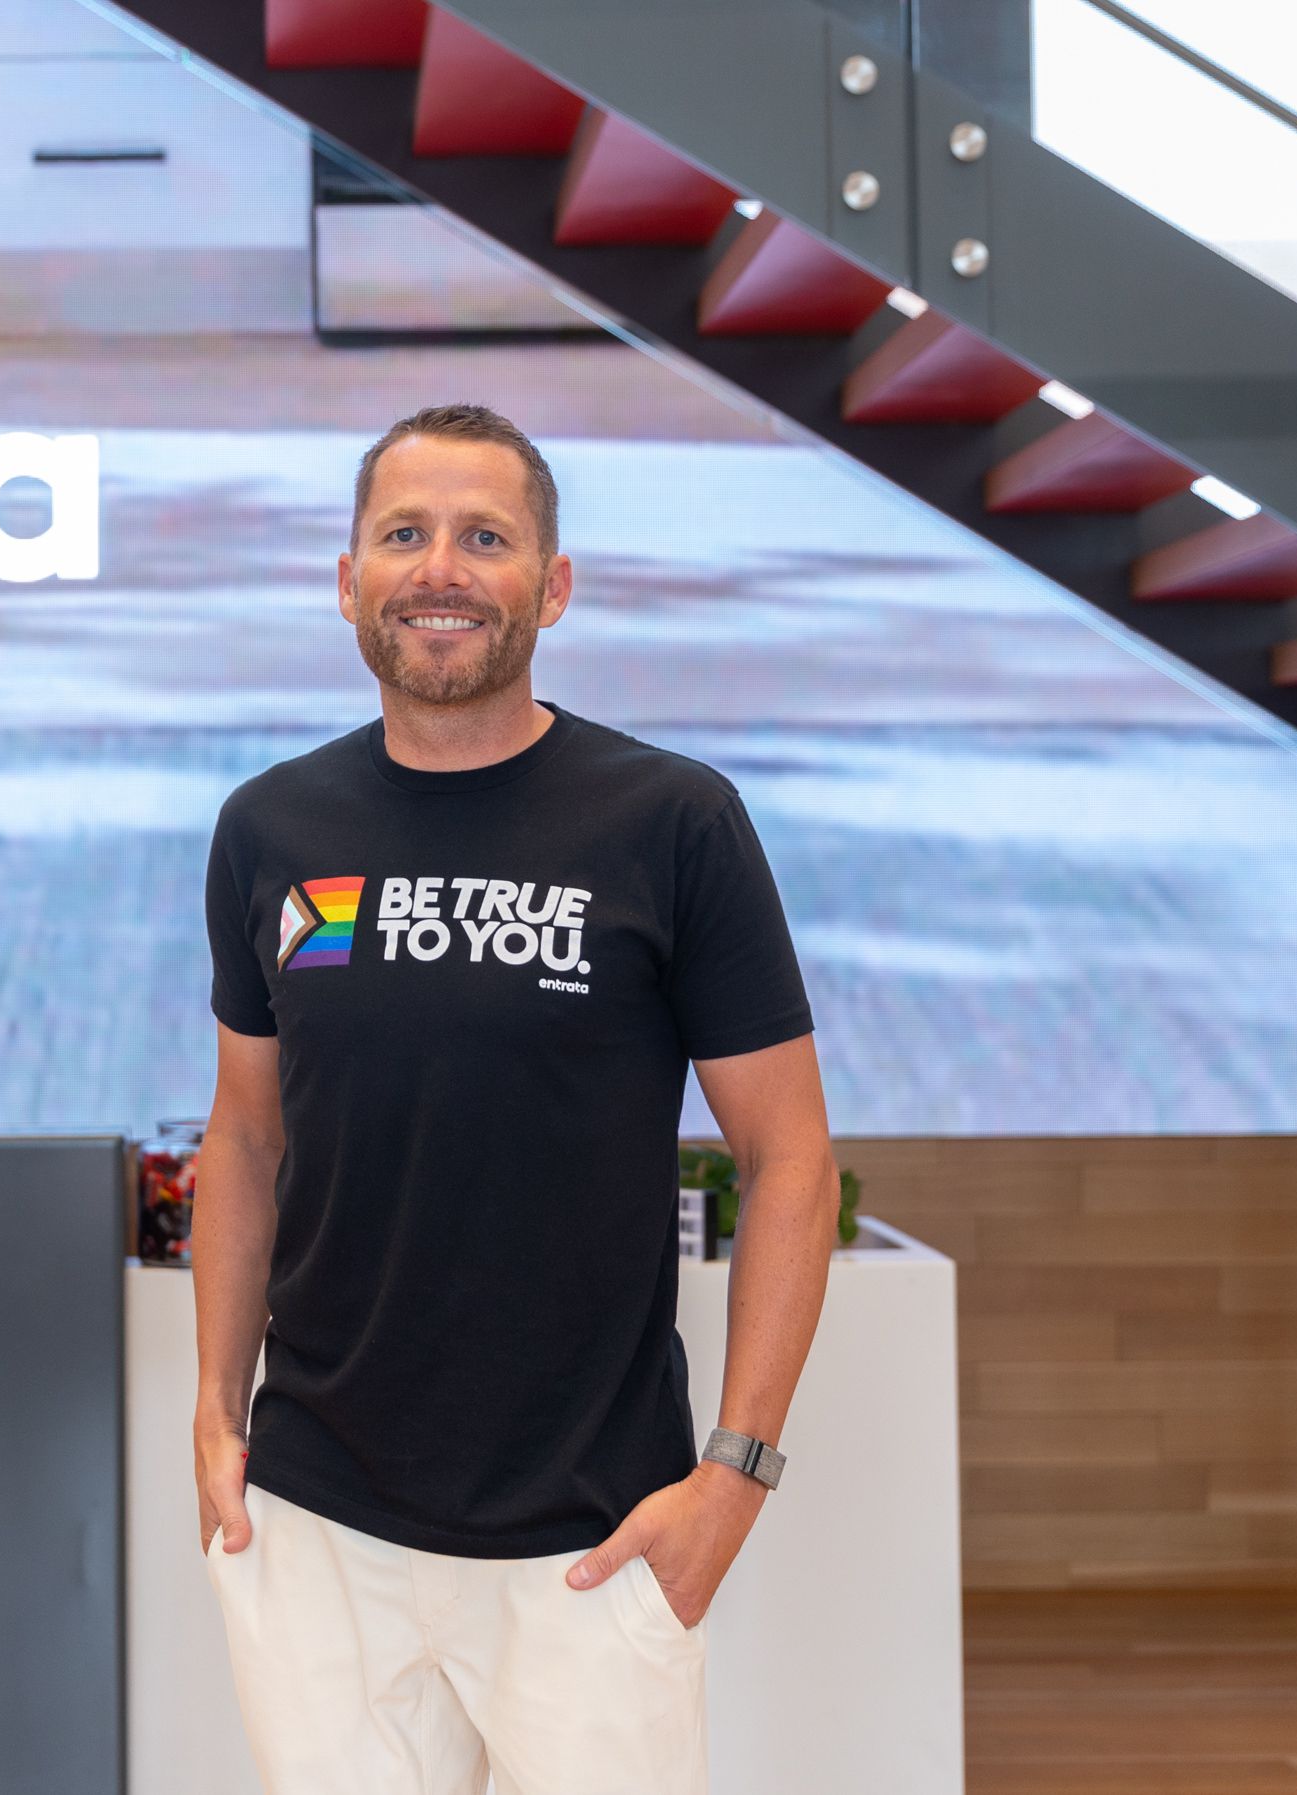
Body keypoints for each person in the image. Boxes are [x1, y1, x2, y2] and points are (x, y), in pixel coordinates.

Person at [192, 402, 844, 1795]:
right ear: (349, 580)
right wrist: (212, 1407)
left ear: (551, 586)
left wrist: (734, 1475)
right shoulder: (273, 831)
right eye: (405, 535)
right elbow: (247, 1135)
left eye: (485, 538)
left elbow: (790, 1160)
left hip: (592, 1535)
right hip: (319, 1527)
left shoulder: (671, 823)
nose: (442, 569)